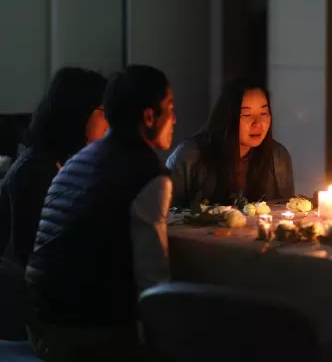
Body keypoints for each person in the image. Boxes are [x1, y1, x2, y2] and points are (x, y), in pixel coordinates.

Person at [24, 65, 176, 361]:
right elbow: (153, 281)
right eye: (170, 109)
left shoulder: (77, 160)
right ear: (149, 117)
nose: (175, 119)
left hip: (39, 324)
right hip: (83, 336)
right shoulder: (148, 175)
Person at [0, 67, 107, 269]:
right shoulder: (34, 171)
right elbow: (31, 255)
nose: (108, 124)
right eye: (103, 112)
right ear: (79, 113)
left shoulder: (60, 162)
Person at [167, 78, 294, 208]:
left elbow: (287, 209)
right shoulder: (190, 156)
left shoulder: (278, 156)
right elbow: (167, 213)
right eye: (247, 115)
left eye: (263, 113)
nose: (258, 124)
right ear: (227, 117)